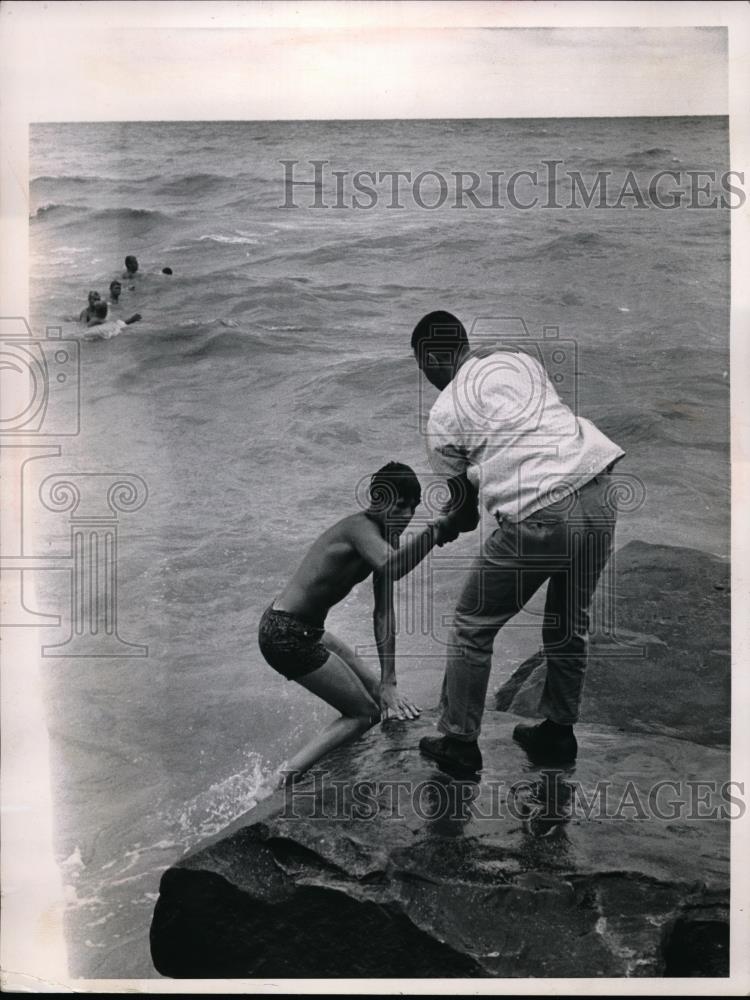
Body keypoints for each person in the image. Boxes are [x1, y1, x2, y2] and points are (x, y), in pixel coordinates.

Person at [412, 311, 625, 771]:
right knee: (570, 620)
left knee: (472, 623)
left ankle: (460, 741)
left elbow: (465, 512)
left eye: (421, 366)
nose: (426, 377)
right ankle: (557, 733)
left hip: (541, 513)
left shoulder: (443, 414)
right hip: (599, 491)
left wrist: (443, 527)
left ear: (430, 357)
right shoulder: (519, 361)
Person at [256, 461, 460, 794]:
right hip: (284, 633)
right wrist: (435, 532)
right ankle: (280, 781)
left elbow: (383, 615)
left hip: (306, 631)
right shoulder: (360, 528)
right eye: (399, 505)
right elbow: (393, 567)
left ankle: (340, 768)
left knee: (380, 700)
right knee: (363, 714)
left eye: (413, 507)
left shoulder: (382, 543)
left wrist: (389, 681)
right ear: (377, 498)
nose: (406, 514)